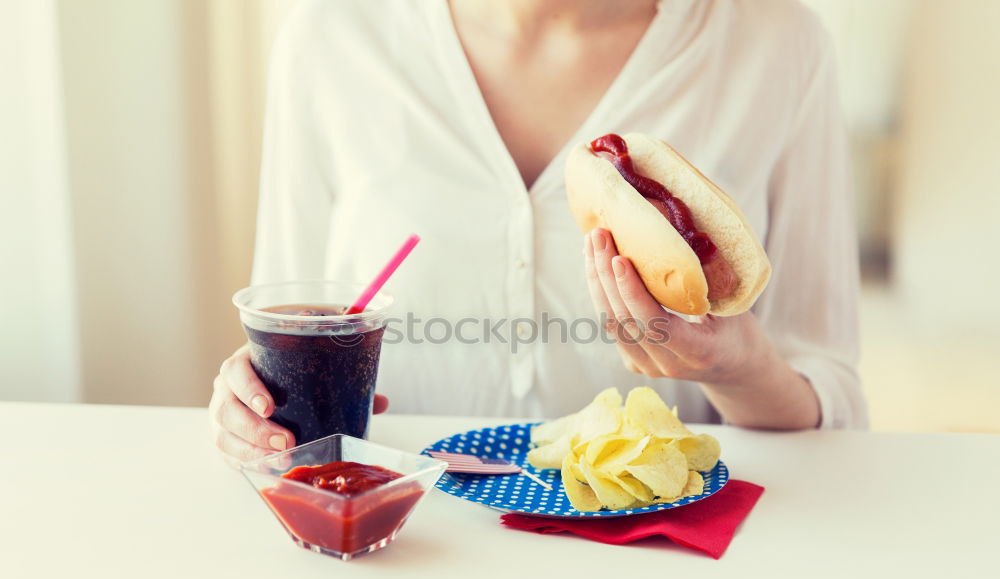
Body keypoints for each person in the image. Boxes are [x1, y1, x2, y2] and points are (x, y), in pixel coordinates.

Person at [210, 0, 868, 465]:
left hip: (660, 562)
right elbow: (286, 321)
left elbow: (831, 398)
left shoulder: (778, 44)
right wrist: (256, 406)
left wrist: (735, 368)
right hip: (400, 545)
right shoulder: (330, 35)